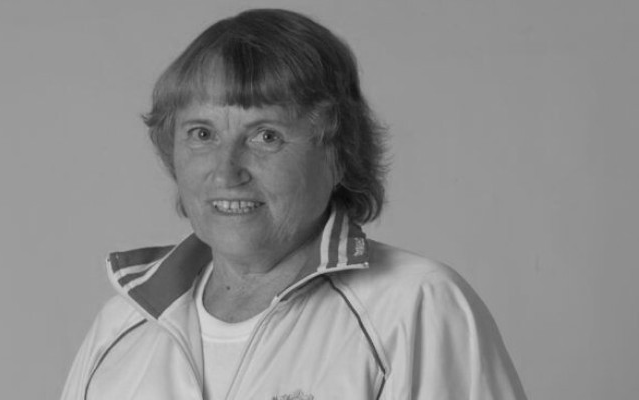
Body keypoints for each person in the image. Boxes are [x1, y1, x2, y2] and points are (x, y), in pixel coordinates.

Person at [61, 8, 526, 400]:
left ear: (338, 153)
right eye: (202, 134)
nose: (226, 172)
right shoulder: (122, 326)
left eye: (266, 136)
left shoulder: (415, 307)